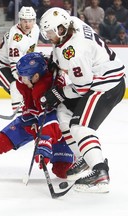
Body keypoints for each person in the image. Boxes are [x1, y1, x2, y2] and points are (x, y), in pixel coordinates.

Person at [39, 7, 126, 193]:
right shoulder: (72, 22)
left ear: (61, 29)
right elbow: (61, 50)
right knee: (64, 112)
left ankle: (99, 171)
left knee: (80, 127)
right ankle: (85, 157)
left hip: (105, 86)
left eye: (50, 32)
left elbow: (82, 88)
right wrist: (55, 60)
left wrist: (58, 93)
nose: (47, 36)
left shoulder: (73, 52)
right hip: (100, 78)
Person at [0, 6, 39, 113]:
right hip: (1, 67)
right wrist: (26, 82)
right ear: (20, 21)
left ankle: (30, 112)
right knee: (16, 86)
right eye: (24, 21)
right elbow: (15, 69)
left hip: (20, 64)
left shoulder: (35, 29)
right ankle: (19, 116)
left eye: (30, 21)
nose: (27, 24)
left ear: (34, 21)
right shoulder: (16, 39)